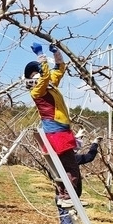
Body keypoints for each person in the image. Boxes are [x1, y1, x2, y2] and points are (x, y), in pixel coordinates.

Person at [23, 42, 81, 208]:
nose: (38, 76)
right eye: (35, 75)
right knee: (70, 166)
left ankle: (63, 194)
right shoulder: (37, 91)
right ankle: (68, 195)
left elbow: (60, 68)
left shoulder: (49, 86)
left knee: (63, 166)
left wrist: (55, 52)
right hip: (56, 132)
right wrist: (40, 56)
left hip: (61, 130)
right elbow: (47, 76)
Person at [57, 131, 103, 224]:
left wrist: (78, 136)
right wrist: (95, 144)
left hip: (59, 195)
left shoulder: (58, 156)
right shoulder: (72, 159)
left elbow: (70, 146)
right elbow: (89, 157)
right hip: (69, 197)